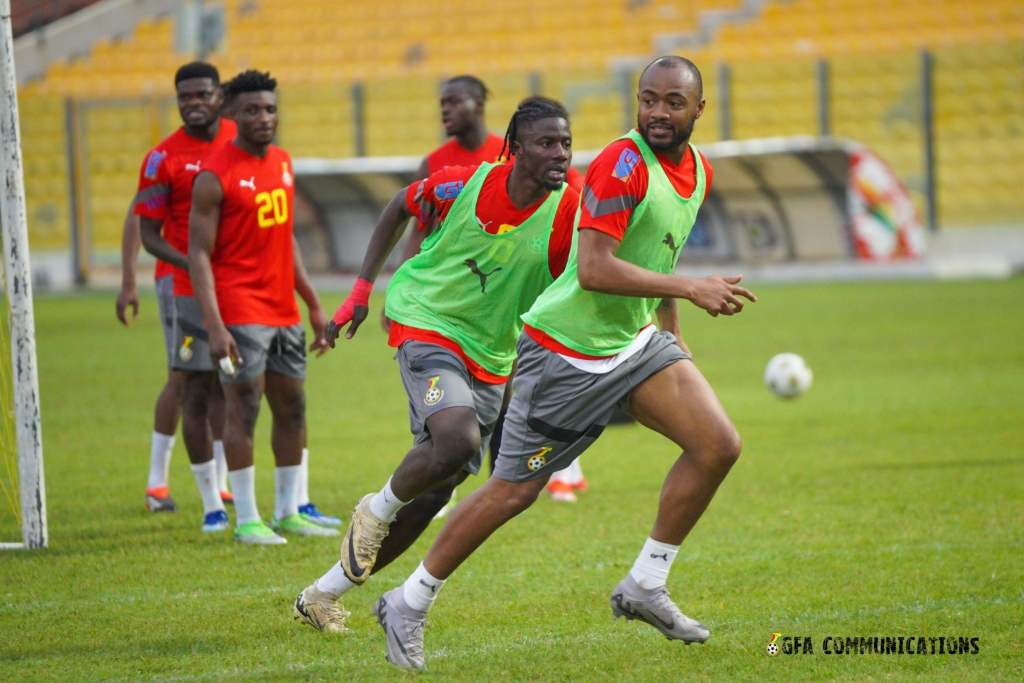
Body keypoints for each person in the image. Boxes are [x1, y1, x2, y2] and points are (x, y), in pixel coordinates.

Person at [371, 56, 756, 671]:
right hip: (564, 353)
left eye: (673, 103)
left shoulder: (696, 172)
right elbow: (597, 268)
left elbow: (659, 253)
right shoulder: (623, 163)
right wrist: (689, 289)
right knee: (512, 492)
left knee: (718, 444)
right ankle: (407, 602)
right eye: (648, 99)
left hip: (630, 343)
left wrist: (673, 335)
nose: (658, 112)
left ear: (698, 111)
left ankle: (645, 586)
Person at [291, 97, 581, 633]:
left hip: (493, 354)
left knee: (436, 492)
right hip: (427, 322)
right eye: (546, 143)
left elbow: (600, 265)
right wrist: (360, 291)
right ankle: (374, 510)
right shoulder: (463, 184)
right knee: (457, 441)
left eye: (565, 142)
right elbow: (400, 204)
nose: (559, 153)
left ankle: (322, 595)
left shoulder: (570, 207)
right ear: (516, 148)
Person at [188, 70, 338, 544]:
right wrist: (214, 325)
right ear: (231, 114)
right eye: (252, 109)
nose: (264, 117)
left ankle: (288, 511)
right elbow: (197, 255)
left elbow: (285, 238)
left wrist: (312, 303)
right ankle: (248, 519)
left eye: (270, 109)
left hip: (282, 310)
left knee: (293, 407)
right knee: (244, 408)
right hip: (239, 309)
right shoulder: (214, 175)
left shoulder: (284, 163)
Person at [117, 61, 235, 515]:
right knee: (184, 380)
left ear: (219, 96)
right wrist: (130, 278)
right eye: (184, 97)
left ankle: (222, 484)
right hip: (180, 279)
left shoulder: (238, 141)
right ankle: (157, 483)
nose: (193, 103)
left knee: (227, 379)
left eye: (201, 95)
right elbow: (140, 218)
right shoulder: (163, 157)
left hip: (231, 281)